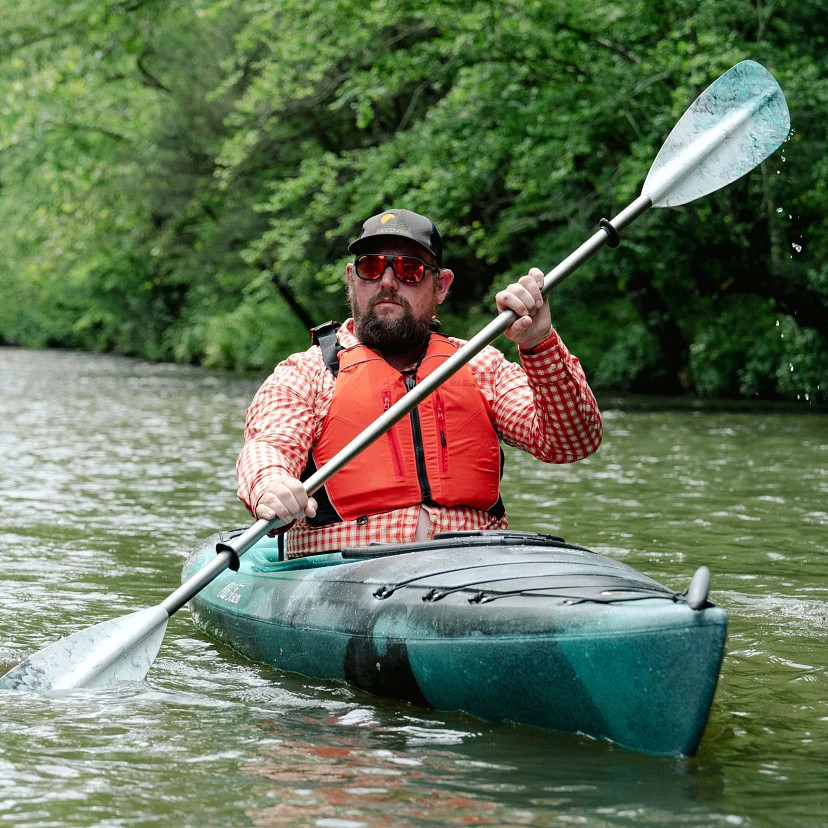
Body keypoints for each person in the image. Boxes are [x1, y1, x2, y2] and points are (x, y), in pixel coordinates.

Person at [236, 208, 602, 558]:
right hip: (346, 572)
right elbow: (269, 446)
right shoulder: (306, 372)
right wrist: (270, 485)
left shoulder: (480, 365)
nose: (388, 282)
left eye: (409, 270)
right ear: (352, 280)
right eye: (371, 267)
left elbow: (571, 443)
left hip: (474, 566)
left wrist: (539, 343)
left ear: (440, 287)